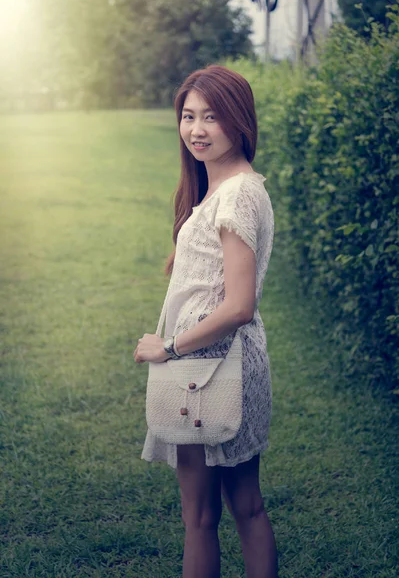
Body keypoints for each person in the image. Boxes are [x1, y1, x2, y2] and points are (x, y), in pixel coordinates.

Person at [133, 65, 278, 578]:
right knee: (235, 508)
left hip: (212, 367)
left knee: (207, 516)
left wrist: (168, 347)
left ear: (239, 121)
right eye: (189, 115)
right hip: (210, 367)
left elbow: (238, 305)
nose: (196, 128)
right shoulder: (222, 189)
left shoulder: (237, 194)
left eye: (211, 117)